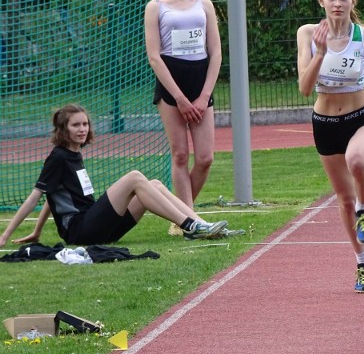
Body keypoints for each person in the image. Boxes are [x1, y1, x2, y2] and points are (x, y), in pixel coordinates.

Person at [0, 104, 228, 248]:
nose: (82, 129)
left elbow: (54, 196)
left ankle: (203, 225)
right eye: (75, 125)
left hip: (97, 228)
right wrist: (5, 236)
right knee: (135, 177)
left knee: (155, 184)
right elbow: (36, 196)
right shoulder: (58, 157)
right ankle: (189, 226)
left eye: (85, 124)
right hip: (81, 231)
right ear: (63, 130)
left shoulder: (74, 154)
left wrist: (37, 231)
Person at [296, 0, 364, 293]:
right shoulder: (309, 34)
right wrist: (322, 53)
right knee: (342, 199)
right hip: (325, 124)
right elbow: (304, 88)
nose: (337, 3)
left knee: (357, 159)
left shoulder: (362, 37)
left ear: (352, 0)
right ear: (321, 1)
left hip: (362, 118)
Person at [144, 0, 223, 236]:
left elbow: (215, 53)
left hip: (200, 80)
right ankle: (189, 222)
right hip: (171, 83)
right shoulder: (155, 7)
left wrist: (203, 97)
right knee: (180, 155)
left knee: (205, 158)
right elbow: (154, 56)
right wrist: (178, 98)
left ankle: (180, 213)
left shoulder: (204, 5)